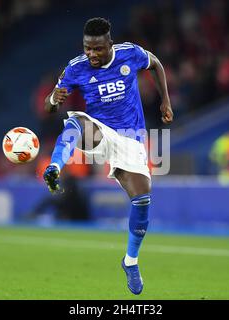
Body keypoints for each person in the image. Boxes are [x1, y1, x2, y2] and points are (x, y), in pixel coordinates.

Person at [42, 18, 173, 295]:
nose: (92, 54)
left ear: (109, 44)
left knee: (142, 199)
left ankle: (130, 261)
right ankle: (55, 166)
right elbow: (49, 107)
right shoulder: (75, 68)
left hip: (131, 137)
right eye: (87, 48)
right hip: (100, 130)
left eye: (97, 49)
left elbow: (156, 64)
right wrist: (54, 99)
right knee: (75, 123)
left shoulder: (130, 54)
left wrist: (165, 100)